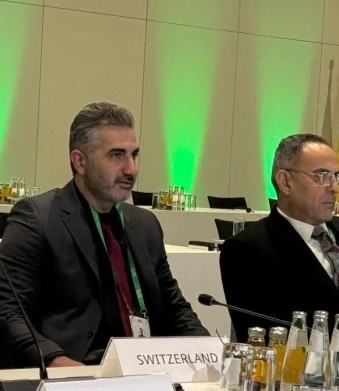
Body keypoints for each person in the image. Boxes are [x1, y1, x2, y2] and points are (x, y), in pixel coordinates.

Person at [0, 102, 208, 368]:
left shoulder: (144, 224)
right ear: (80, 161)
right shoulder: (38, 218)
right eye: (116, 155)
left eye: (134, 155)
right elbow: (8, 311)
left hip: (143, 368)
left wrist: (209, 353)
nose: (131, 169)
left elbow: (173, 306)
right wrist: (55, 361)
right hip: (75, 369)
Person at [220, 134, 339, 341]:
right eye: (322, 176)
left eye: (337, 176)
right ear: (285, 182)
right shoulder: (247, 249)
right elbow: (265, 336)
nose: (334, 187)